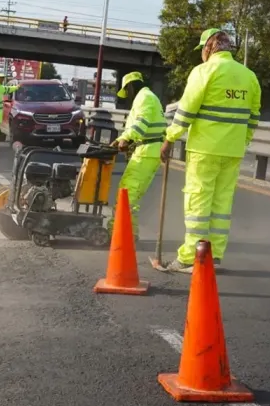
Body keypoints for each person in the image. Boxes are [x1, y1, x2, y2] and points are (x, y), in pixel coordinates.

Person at [161, 28, 261, 273]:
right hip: (233, 151)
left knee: (198, 202)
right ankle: (214, 257)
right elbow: (253, 116)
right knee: (222, 205)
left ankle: (190, 258)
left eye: (202, 50)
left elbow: (186, 110)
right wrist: (242, 141)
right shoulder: (249, 76)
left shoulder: (204, 71)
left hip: (205, 149)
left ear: (209, 47)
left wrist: (170, 138)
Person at [108, 71, 165, 239]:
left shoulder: (144, 98)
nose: (127, 96)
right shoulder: (148, 97)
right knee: (131, 194)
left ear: (131, 86)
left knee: (127, 193)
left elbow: (141, 123)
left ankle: (118, 233)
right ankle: (129, 233)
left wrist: (126, 138)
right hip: (147, 150)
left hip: (147, 151)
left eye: (126, 91)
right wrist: (119, 140)